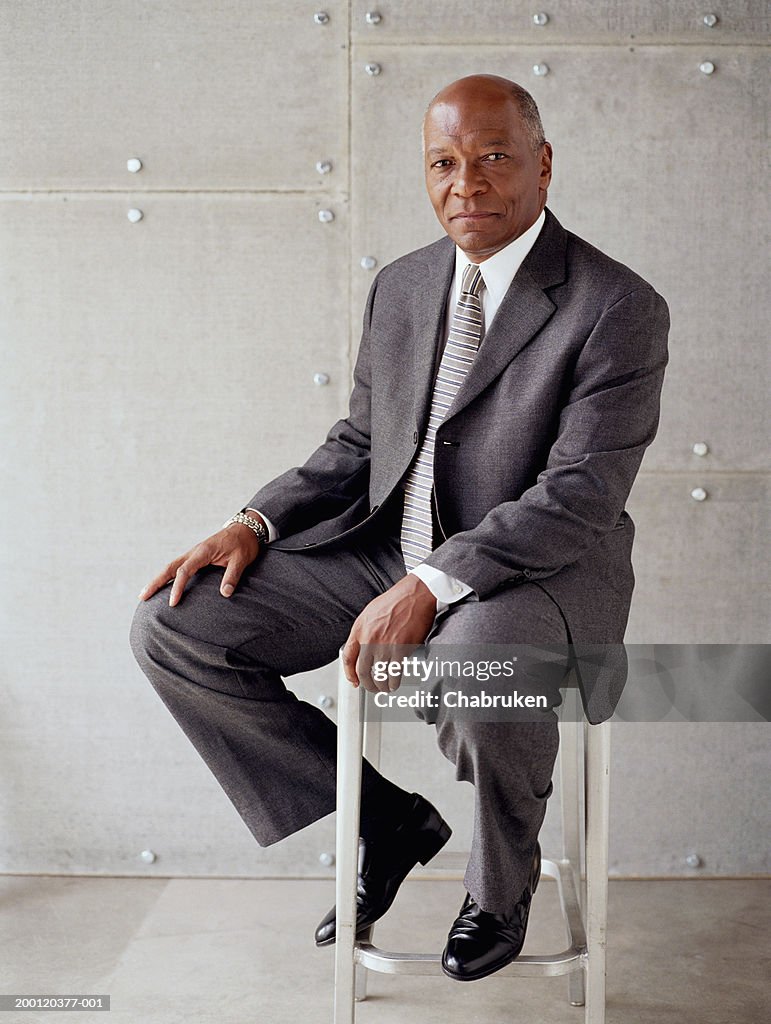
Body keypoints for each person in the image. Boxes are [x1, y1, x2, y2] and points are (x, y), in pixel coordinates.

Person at [130, 74, 669, 982]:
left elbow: (579, 493)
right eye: (444, 162)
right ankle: (388, 822)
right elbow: (358, 444)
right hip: (386, 548)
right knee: (176, 628)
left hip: (532, 570)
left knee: (475, 670)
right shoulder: (405, 286)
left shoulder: (615, 306)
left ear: (542, 167)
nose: (467, 183)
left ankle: (500, 887)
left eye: (494, 157)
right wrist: (254, 521)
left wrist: (431, 585)